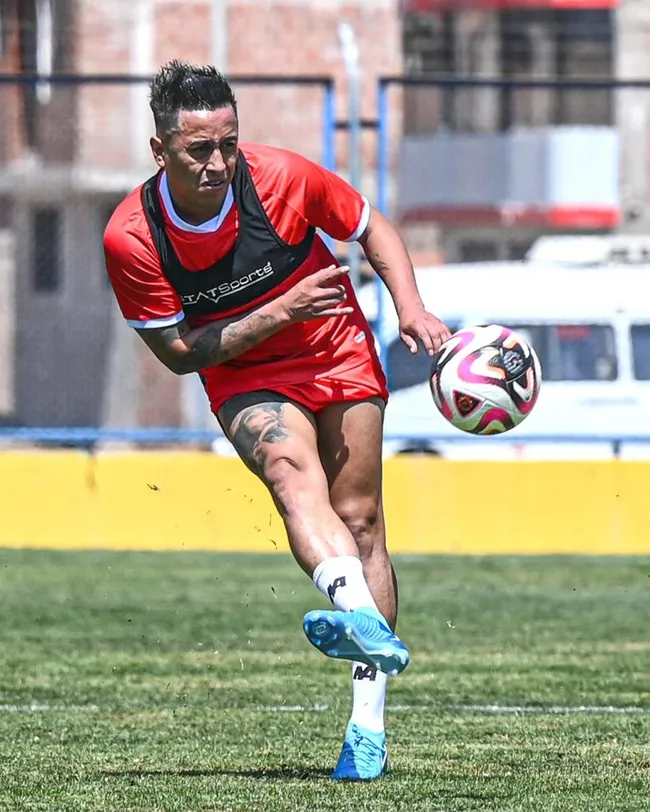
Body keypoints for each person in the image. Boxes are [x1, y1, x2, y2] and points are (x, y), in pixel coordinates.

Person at [103, 60, 451, 781]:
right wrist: (280, 310)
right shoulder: (133, 237)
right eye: (199, 149)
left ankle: (367, 726)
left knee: (360, 521)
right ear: (159, 150)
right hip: (243, 371)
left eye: (228, 143)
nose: (219, 162)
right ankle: (360, 619)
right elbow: (176, 354)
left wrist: (411, 307)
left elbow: (370, 226)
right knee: (290, 473)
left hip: (337, 347)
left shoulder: (284, 177)